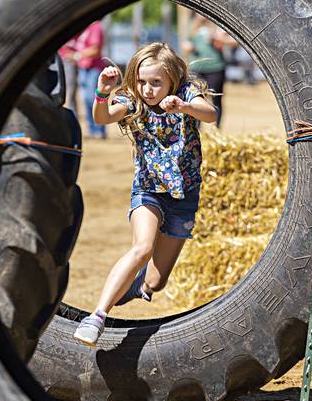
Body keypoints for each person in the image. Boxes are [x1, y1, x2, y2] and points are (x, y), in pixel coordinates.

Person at [73, 42, 218, 345]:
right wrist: (102, 92)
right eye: (142, 81)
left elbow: (210, 114)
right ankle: (96, 317)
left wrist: (184, 106)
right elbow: (102, 118)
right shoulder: (132, 100)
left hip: (183, 195)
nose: (148, 89)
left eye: (156, 83)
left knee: (155, 281)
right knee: (143, 248)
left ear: (171, 81)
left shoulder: (186, 92)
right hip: (148, 189)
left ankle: (130, 286)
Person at [186, 14, 235, 127]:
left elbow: (234, 43)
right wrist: (188, 48)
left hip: (215, 68)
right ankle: (196, 128)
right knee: (195, 99)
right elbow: (186, 44)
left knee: (216, 99)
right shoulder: (192, 27)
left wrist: (217, 38)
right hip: (197, 69)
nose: (200, 15)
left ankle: (216, 130)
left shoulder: (218, 26)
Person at [71, 20, 107, 138]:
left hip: (94, 68)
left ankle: (99, 130)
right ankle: (92, 129)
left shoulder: (96, 27)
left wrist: (77, 55)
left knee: (93, 99)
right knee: (85, 99)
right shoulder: (84, 27)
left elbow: (95, 49)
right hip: (83, 68)